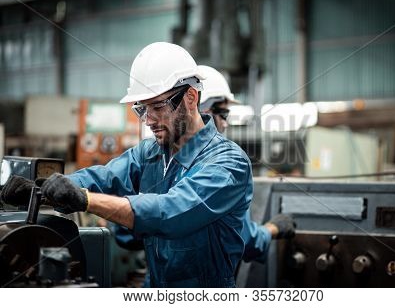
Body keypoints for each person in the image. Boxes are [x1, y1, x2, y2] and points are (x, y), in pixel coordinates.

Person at [0, 42, 253, 288]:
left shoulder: (228, 164)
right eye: (142, 109)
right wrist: (42, 189)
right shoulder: (150, 153)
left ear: (190, 97)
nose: (149, 120)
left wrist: (85, 200)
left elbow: (170, 212)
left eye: (157, 106)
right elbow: (103, 177)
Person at [198, 65, 296, 263]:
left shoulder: (161, 161)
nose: (225, 124)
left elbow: (128, 233)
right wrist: (273, 229)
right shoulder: (223, 169)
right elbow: (243, 241)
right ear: (201, 110)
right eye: (223, 114)